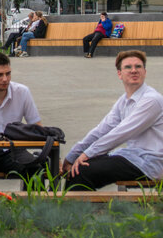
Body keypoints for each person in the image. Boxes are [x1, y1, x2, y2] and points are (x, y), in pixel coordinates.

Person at [63, 50, 163, 190]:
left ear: (145, 72)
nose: (134, 70)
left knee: (83, 171)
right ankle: (75, 209)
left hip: (150, 164)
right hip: (133, 157)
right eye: (128, 67)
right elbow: (101, 130)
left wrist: (86, 154)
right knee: (78, 167)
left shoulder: (152, 100)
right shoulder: (124, 101)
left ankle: (75, 211)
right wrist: (72, 156)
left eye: (138, 67)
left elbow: (120, 134)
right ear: (119, 74)